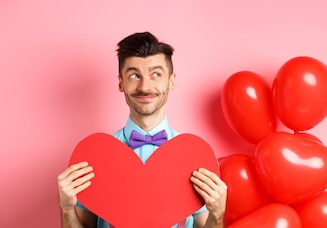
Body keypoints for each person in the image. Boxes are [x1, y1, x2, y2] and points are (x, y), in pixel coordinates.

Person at [57, 32, 228, 228]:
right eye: (134, 76)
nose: (145, 86)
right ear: (121, 82)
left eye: (156, 74)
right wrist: (67, 209)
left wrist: (218, 214)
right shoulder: (94, 156)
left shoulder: (194, 155)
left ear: (171, 81)